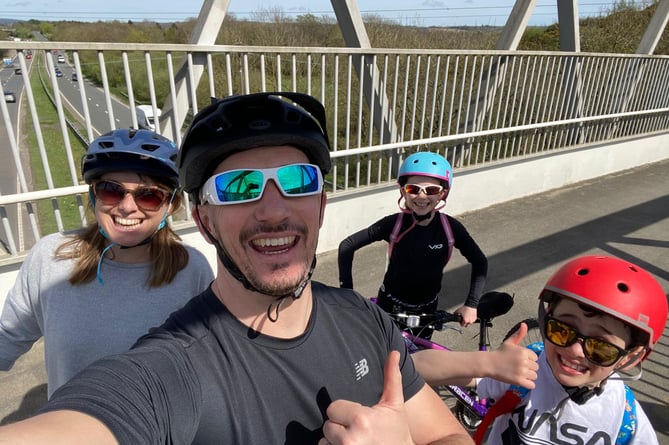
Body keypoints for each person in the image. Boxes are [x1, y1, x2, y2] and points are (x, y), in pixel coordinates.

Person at [0, 92, 473, 445]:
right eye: (239, 186)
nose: (272, 210)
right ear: (204, 219)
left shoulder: (361, 316)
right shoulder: (175, 365)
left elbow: (449, 436)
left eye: (296, 180)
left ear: (321, 203)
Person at [0, 128, 214, 397]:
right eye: (111, 191)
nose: (126, 207)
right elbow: (7, 337)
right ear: (93, 195)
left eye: (149, 195)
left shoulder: (191, 270)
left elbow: (211, 359)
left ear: (170, 205)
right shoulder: (49, 258)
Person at [472, 255, 667, 444]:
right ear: (546, 317)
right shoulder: (529, 365)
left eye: (601, 347)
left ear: (630, 358)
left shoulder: (625, 420)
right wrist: (489, 364)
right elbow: (471, 378)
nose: (574, 351)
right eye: (562, 330)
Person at [338, 151, 488, 334]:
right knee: (382, 358)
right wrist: (346, 293)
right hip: (388, 308)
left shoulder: (450, 228)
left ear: (443, 194)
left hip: (426, 312)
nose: (422, 196)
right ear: (403, 191)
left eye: (432, 190)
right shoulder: (393, 224)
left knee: (419, 360)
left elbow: (480, 261)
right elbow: (347, 245)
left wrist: (471, 305)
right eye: (413, 189)